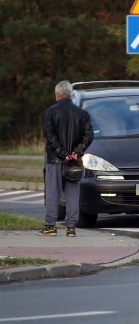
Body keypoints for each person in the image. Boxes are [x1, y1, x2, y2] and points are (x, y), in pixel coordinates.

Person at [41, 80, 94, 237]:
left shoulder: (50, 112)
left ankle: (51, 226)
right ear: (70, 95)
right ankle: (71, 228)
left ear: (57, 95)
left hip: (55, 160)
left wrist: (62, 153)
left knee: (53, 193)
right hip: (74, 161)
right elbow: (89, 135)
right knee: (72, 194)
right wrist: (76, 152)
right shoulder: (82, 113)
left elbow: (51, 137)